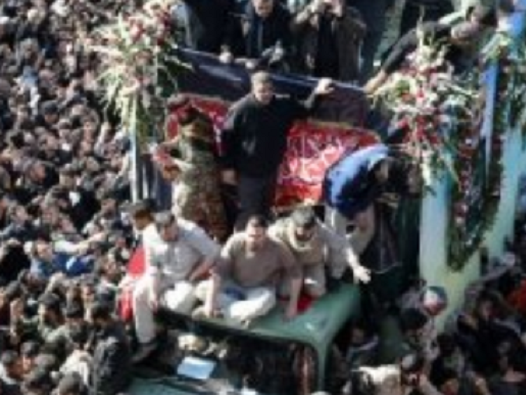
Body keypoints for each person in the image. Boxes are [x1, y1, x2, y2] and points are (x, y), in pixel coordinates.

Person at [219, 72, 337, 221]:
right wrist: (227, 168)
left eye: (269, 90)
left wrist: (318, 93)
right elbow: (227, 139)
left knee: (266, 210)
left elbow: (305, 109)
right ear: (253, 90)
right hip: (248, 174)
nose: (266, 94)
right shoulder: (241, 109)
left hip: (271, 171)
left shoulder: (283, 104)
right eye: (262, 91)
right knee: (249, 216)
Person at [129, 211, 222, 355]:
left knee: (180, 304)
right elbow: (152, 265)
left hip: (189, 275)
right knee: (139, 295)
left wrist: (197, 272)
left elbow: (214, 251)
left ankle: (164, 323)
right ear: (157, 229)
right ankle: (147, 342)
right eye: (166, 235)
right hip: (164, 274)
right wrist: (153, 292)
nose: (171, 236)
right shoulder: (148, 234)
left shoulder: (191, 232)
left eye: (173, 231)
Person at [151, 111, 231, 242]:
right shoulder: (187, 124)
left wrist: (171, 160)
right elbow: (182, 138)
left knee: (207, 212)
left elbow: (194, 169)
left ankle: (219, 239)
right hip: (194, 183)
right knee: (207, 212)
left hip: (202, 182)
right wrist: (167, 145)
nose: (175, 118)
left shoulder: (198, 128)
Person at [270, 206, 371, 304]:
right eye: (304, 231)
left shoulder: (320, 229)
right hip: (292, 265)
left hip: (313, 263)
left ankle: (318, 276)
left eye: (311, 230)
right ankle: (297, 283)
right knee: (284, 292)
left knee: (317, 292)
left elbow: (343, 245)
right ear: (294, 225)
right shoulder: (280, 230)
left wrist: (356, 267)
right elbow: (265, 242)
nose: (308, 234)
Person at [214, 214, 302, 321]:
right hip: (234, 284)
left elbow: (296, 274)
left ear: (266, 235)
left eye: (258, 236)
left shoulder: (278, 247)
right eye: (250, 235)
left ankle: (223, 314)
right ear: (245, 232)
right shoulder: (235, 241)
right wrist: (209, 302)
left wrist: (292, 306)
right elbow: (219, 271)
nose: (253, 240)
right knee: (202, 290)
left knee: (263, 305)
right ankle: (240, 309)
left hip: (260, 290)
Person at [293, 0, 368, 83]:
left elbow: (362, 33)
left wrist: (343, 17)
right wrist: (310, 12)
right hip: (313, 70)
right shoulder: (310, 8)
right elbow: (293, 27)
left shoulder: (351, 12)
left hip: (341, 73)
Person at [224, 0, 296, 72]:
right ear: (253, 2)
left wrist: (279, 51)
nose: (264, 12)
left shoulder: (283, 14)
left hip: (270, 63)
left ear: (273, 2)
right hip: (243, 60)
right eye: (260, 8)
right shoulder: (240, 11)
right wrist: (226, 51)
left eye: (268, 8)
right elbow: (229, 35)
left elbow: (286, 40)